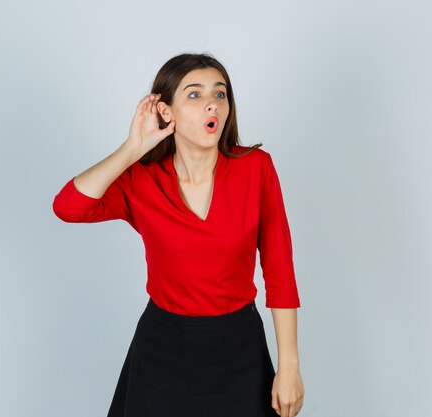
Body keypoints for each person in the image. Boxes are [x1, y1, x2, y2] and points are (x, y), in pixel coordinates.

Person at [52, 52, 304, 417]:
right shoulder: (141, 179)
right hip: (162, 348)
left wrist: (290, 366)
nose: (212, 106)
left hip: (239, 347)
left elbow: (280, 270)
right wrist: (133, 149)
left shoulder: (256, 168)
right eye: (195, 95)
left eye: (220, 94)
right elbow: (68, 207)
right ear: (165, 111)